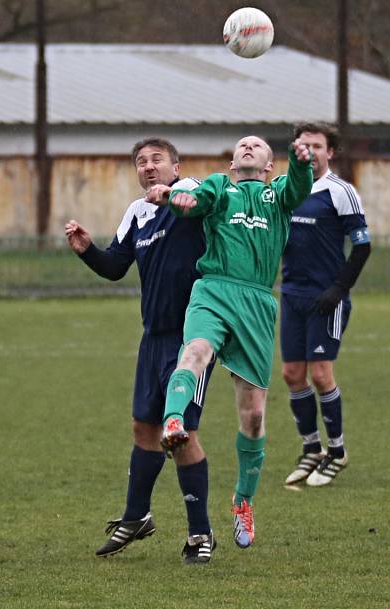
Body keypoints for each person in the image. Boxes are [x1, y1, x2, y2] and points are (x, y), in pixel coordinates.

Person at [145, 135, 313, 550]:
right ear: (235, 162)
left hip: (256, 302)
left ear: (270, 166)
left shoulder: (278, 197)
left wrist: (301, 159)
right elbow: (194, 197)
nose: (249, 147)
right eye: (243, 145)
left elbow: (299, 187)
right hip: (214, 290)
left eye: (258, 146)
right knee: (195, 353)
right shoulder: (222, 187)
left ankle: (243, 500)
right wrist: (175, 197)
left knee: (254, 414)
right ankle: (173, 422)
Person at [65, 137, 216, 564]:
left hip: (194, 337)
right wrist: (87, 251)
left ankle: (201, 533)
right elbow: (115, 267)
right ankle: (137, 517)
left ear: (176, 165)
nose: (148, 167)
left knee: (179, 432)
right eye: (141, 162)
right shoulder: (137, 212)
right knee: (143, 428)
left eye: (157, 160)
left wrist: (176, 196)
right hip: (153, 337)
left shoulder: (193, 196)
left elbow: (206, 205)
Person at [279, 122, 371, 487]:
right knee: (291, 375)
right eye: (304, 146)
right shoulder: (285, 190)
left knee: (320, 374)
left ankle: (337, 451)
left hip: (326, 298)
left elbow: (362, 246)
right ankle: (311, 449)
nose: (310, 151)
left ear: (330, 152)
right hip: (292, 296)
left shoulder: (341, 192)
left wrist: (337, 289)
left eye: (317, 145)